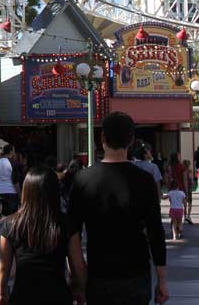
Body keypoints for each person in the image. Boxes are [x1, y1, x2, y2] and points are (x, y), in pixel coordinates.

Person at [69, 112, 168, 305]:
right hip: (136, 275)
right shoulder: (144, 180)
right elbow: (156, 232)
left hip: (99, 275)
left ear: (102, 137)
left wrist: (79, 275)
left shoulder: (82, 180)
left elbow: (72, 233)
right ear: (131, 140)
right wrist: (162, 280)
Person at [0, 166, 83, 305]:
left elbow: (4, 267)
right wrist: (80, 290)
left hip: (23, 296)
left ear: (26, 192)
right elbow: (77, 265)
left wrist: (2, 294)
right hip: (57, 295)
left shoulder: (10, 224)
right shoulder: (66, 223)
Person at [0, 146, 18, 216]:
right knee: (11, 217)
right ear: (11, 152)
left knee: (1, 216)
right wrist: (19, 194)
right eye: (13, 151)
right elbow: (15, 181)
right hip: (10, 192)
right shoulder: (12, 163)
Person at [182, 160, 195, 225]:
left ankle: (185, 216)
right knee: (189, 202)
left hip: (182, 188)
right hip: (188, 189)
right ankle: (188, 215)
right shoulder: (189, 171)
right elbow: (191, 180)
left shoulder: (182, 171)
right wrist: (193, 182)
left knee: (184, 204)